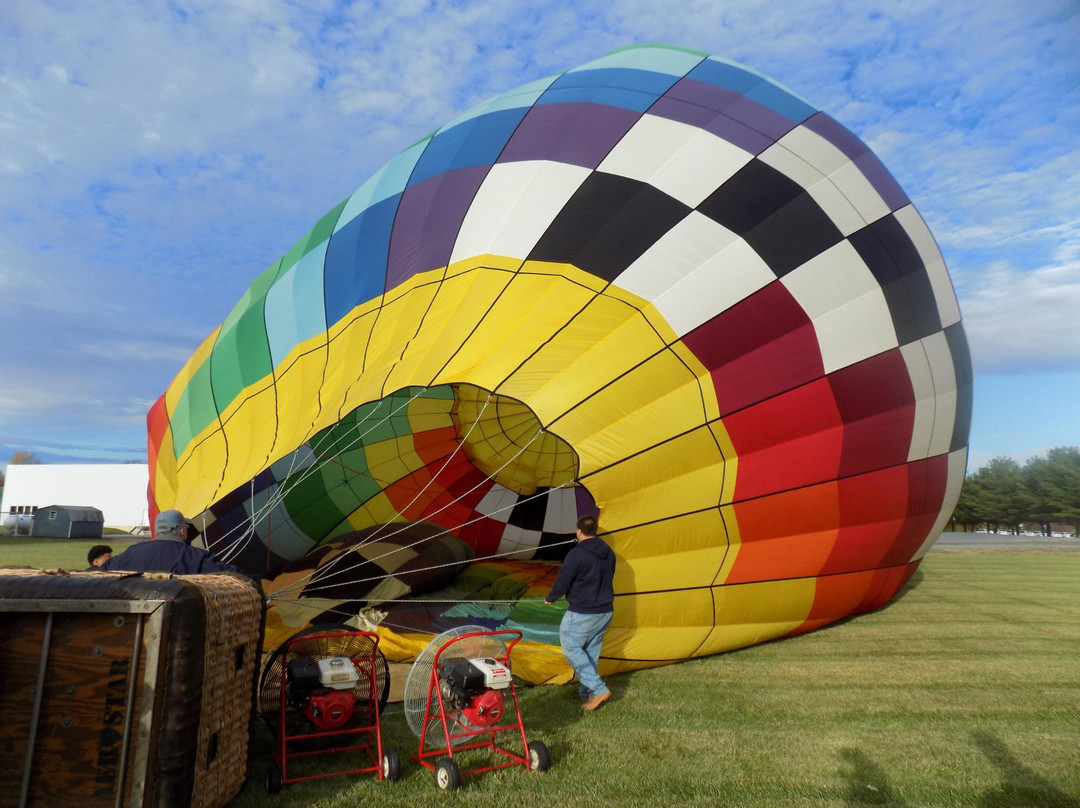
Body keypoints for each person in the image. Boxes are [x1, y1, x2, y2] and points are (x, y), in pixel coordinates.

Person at [544, 515, 616, 711]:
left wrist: (552, 596)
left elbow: (564, 579)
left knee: (570, 647)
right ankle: (589, 695)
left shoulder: (577, 554)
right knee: (590, 653)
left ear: (578, 532)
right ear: (595, 531)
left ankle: (598, 688)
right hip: (605, 611)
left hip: (583, 612)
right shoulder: (609, 552)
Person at [100, 509, 260, 588]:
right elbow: (232, 575)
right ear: (182, 531)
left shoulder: (132, 552)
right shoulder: (197, 557)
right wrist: (256, 580)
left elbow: (98, 571)